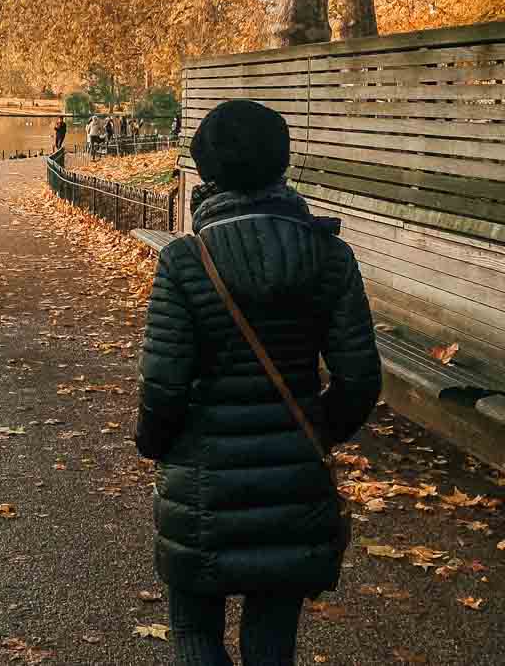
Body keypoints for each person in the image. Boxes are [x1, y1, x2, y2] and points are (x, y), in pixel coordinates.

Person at [136, 99, 381, 666]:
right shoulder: (330, 256)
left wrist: (156, 444)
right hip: (294, 482)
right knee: (272, 644)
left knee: (194, 632)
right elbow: (360, 378)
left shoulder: (185, 261)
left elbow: (164, 386)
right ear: (282, 163)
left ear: (206, 172)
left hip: (201, 481)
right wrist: (314, 431)